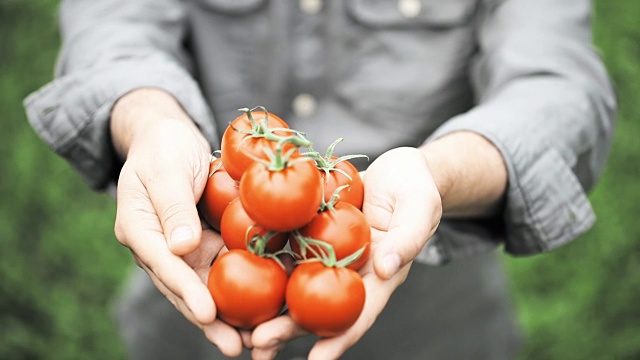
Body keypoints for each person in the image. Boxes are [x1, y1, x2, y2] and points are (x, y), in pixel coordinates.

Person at [24, 0, 616, 359]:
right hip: (195, 305)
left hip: (431, 314)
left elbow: (559, 81)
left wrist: (438, 173)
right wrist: (150, 120)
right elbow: (111, 23)